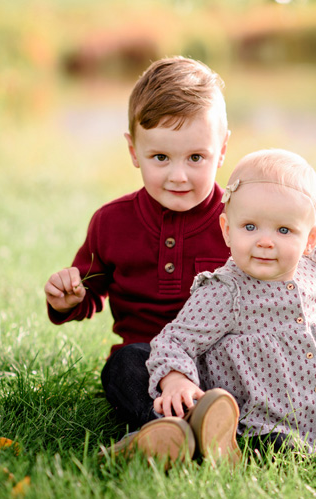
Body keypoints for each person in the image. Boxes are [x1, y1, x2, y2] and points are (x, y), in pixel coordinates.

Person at [146, 149, 316, 460]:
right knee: (283, 450)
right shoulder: (226, 292)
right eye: (250, 227)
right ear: (227, 230)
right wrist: (177, 379)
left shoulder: (311, 275)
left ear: (310, 239)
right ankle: (226, 447)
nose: (265, 241)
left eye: (283, 230)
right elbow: (174, 340)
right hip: (256, 420)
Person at [43, 56, 233, 468]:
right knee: (121, 366)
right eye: (160, 158)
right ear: (134, 150)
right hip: (147, 362)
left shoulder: (239, 221)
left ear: (222, 152)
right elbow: (89, 289)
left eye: (195, 158)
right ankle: (169, 431)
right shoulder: (111, 222)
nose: (178, 176)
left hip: (220, 363)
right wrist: (68, 298)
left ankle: (209, 423)